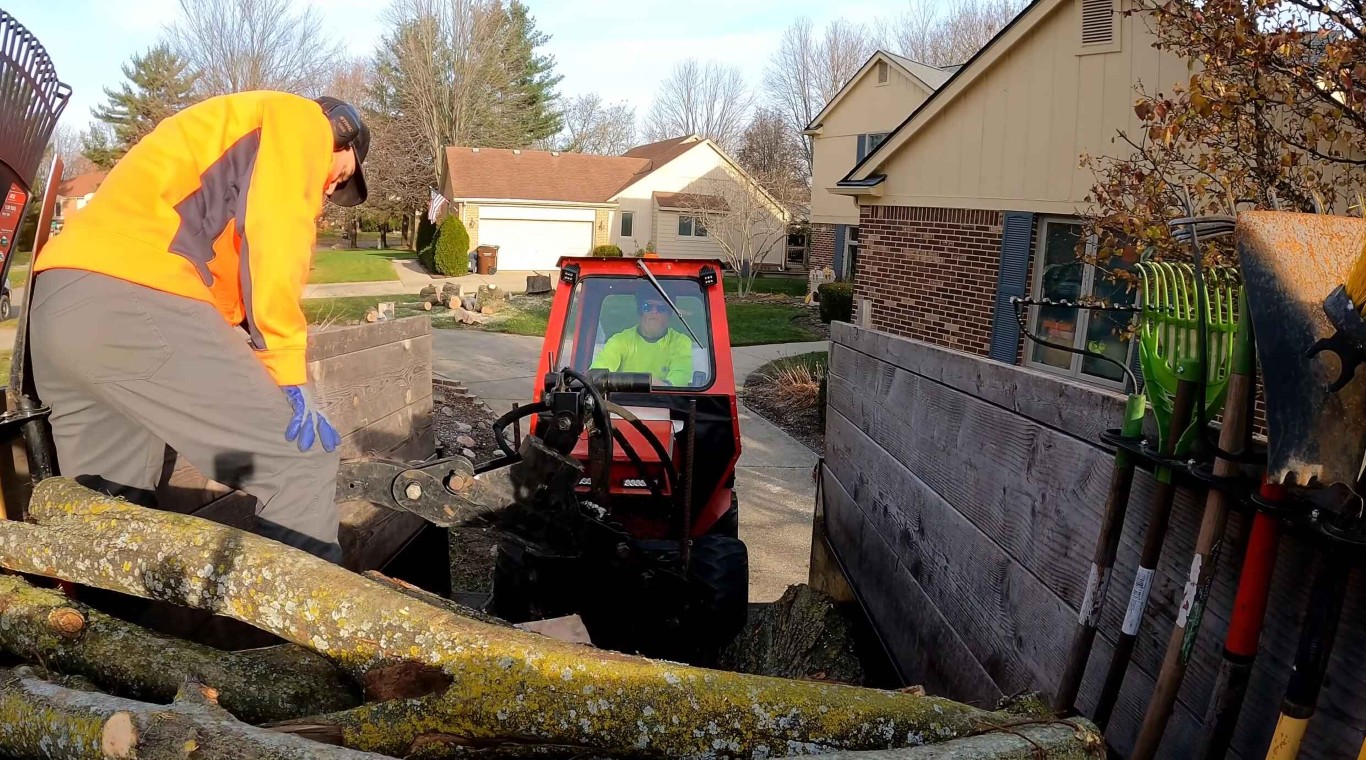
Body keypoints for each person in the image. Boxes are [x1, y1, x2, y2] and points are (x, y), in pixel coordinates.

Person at [27, 91, 370, 564]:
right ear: (341, 132)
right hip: (132, 293)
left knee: (107, 518)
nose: (330, 190)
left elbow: (229, 278)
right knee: (299, 461)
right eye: (343, 175)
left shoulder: (226, 142)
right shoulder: (300, 119)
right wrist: (286, 365)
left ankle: (94, 635)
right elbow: (278, 235)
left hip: (57, 305)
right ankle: (307, 639)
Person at [590, 284, 693, 387]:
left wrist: (662, 386)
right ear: (639, 311)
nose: (654, 312)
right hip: (619, 401)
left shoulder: (680, 342)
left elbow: (680, 377)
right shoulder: (619, 340)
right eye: (647, 307)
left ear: (669, 314)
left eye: (661, 308)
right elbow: (597, 374)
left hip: (665, 402)